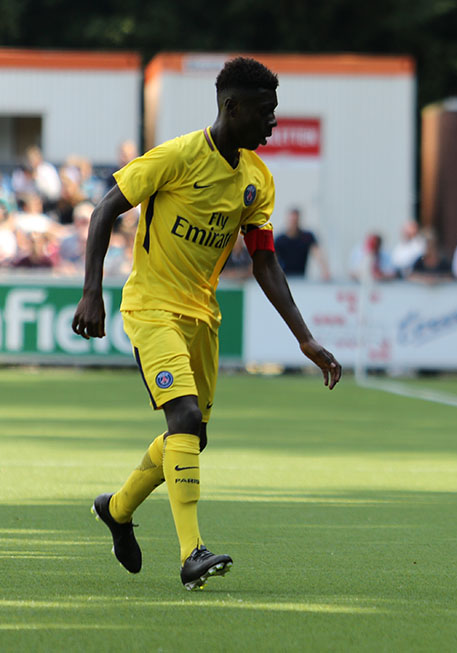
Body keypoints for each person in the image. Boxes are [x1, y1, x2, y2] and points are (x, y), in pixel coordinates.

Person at [71, 57, 342, 591]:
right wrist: (91, 293)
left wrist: (305, 338)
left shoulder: (257, 181)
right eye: (265, 112)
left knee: (193, 434)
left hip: (202, 315)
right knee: (186, 416)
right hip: (151, 306)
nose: (272, 123)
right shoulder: (175, 157)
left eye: (275, 112)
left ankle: (118, 508)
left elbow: (264, 260)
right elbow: (105, 210)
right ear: (231, 107)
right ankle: (192, 552)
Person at [274, 207, 330, 279]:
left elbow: (317, 253)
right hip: (284, 278)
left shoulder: (307, 237)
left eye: (295, 220)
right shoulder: (280, 239)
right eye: (292, 220)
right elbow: (272, 259)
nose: (293, 223)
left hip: (301, 278)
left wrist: (325, 271)